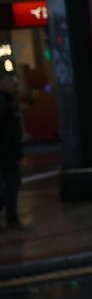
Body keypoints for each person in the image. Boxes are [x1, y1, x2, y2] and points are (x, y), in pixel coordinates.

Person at [0, 71, 25, 229]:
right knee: (10, 184)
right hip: (5, 152)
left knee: (10, 184)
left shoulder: (6, 100)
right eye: (10, 81)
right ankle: (11, 217)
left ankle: (11, 216)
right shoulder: (2, 102)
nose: (13, 84)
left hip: (7, 151)